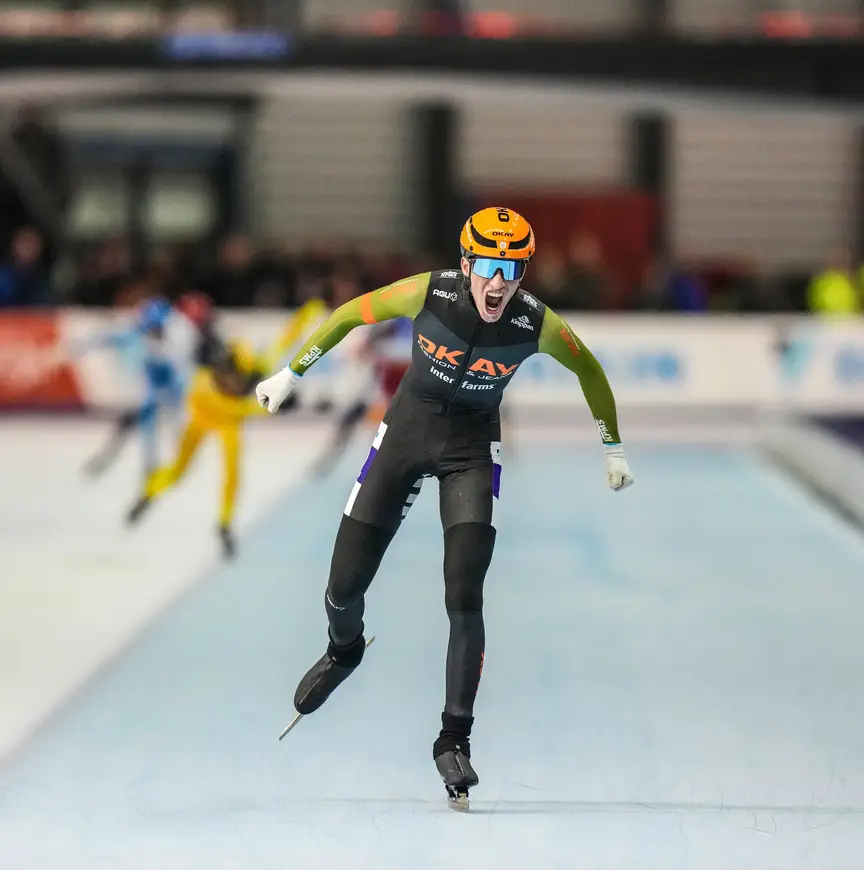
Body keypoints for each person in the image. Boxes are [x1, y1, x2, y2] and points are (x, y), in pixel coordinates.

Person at [255, 207, 634, 808]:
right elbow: (349, 314)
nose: (498, 283)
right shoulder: (428, 292)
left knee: (464, 590)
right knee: (343, 588)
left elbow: (589, 369)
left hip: (471, 453)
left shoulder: (537, 323)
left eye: (512, 269)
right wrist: (291, 373)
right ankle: (343, 649)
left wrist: (612, 446)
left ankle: (453, 738)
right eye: (487, 267)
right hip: (404, 438)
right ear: (465, 263)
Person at [125, 336, 294, 560]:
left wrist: (309, 314)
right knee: (178, 471)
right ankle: (149, 492)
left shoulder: (252, 363)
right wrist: (270, 406)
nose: (235, 385)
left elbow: (284, 341)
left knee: (232, 472)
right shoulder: (203, 385)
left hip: (227, 422)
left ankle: (225, 522)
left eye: (238, 381)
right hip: (201, 417)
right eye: (230, 381)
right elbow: (237, 409)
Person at [77, 297, 194, 484]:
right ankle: (148, 466)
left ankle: (178, 465)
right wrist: (86, 344)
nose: (152, 332)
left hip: (172, 392)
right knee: (141, 426)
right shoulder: (142, 330)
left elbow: (180, 371)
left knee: (178, 427)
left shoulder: (179, 335)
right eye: (150, 328)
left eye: (156, 328)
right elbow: (112, 337)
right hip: (152, 392)